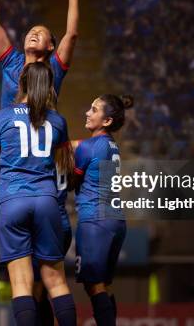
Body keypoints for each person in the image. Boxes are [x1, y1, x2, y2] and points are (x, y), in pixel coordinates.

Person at [0, 62, 76, 326]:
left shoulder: (1, 118)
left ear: (21, 82)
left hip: (11, 199)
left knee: (21, 283)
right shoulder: (58, 120)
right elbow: (63, 166)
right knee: (55, 280)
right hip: (46, 200)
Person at [72, 95, 132, 326]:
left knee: (94, 285)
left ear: (106, 121)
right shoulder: (110, 144)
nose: (87, 113)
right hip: (116, 220)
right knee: (104, 285)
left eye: (94, 109)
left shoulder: (88, 147)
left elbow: (72, 181)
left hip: (95, 220)